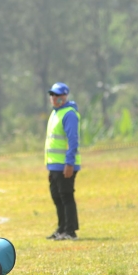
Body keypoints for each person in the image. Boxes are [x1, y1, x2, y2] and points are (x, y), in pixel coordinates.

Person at [44, 82, 81, 241]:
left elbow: (73, 141)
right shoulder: (55, 113)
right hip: (54, 165)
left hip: (65, 165)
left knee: (66, 196)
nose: (54, 98)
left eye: (58, 95)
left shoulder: (69, 114)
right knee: (57, 197)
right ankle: (62, 228)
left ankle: (70, 231)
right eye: (52, 95)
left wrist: (69, 164)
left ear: (65, 96)